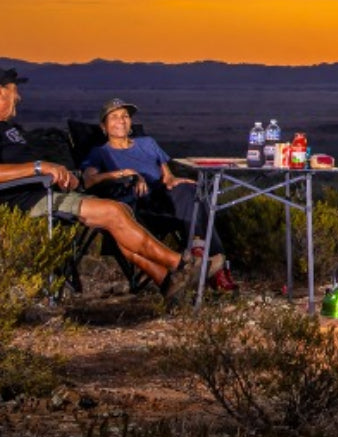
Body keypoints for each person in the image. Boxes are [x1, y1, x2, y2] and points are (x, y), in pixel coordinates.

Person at [0, 69, 197, 303]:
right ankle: (181, 265)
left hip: (43, 191)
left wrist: (60, 173)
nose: (19, 97)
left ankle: (166, 280)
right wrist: (39, 167)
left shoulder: (8, 128)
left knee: (120, 211)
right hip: (23, 202)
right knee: (113, 212)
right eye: (14, 91)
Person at [82, 98, 235, 291]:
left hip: (162, 197)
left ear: (130, 123)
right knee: (192, 200)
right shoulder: (100, 152)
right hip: (136, 206)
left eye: (125, 116)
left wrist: (172, 179)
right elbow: (89, 180)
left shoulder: (147, 143)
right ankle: (214, 269)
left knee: (193, 192)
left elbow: (166, 174)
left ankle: (200, 252)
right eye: (114, 117)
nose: (121, 120)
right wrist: (123, 173)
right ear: (103, 126)